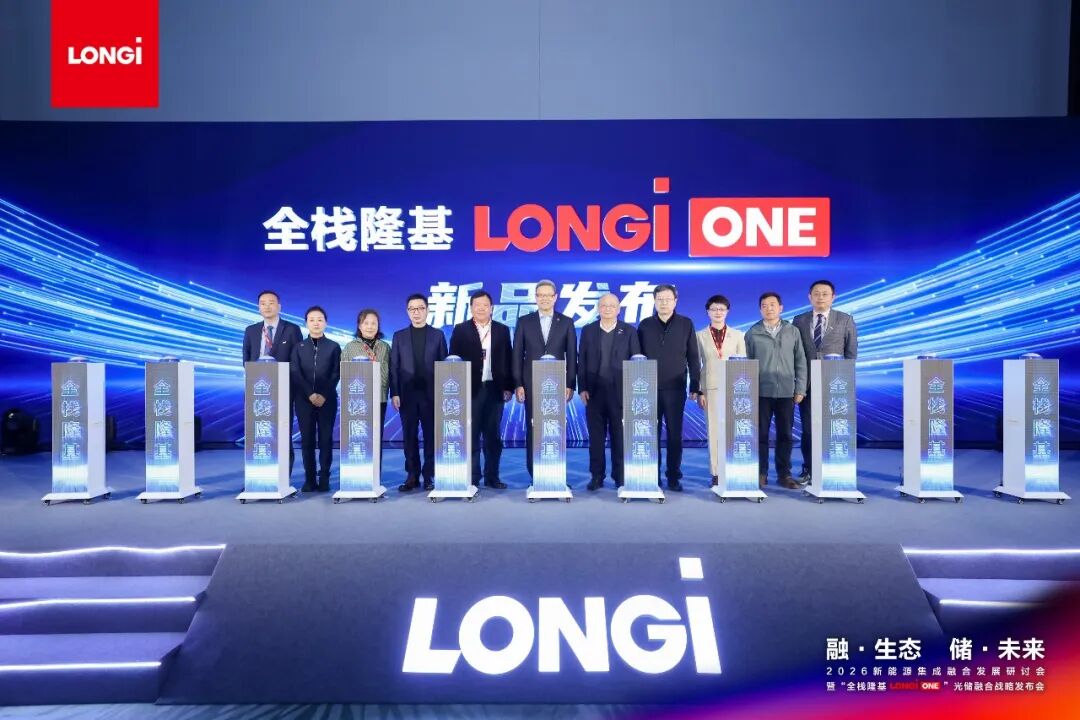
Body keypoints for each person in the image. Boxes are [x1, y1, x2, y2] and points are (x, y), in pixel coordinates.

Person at [792, 280, 858, 482]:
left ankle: (832, 468)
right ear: (809, 297)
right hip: (807, 384)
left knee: (833, 428)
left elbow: (851, 354)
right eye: (816, 294)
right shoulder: (799, 320)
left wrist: (845, 382)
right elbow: (795, 352)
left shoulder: (845, 319)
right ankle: (809, 468)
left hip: (835, 384)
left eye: (825, 294)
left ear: (833, 297)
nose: (820, 297)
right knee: (809, 428)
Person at [511, 279, 577, 481]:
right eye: (541, 295)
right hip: (531, 384)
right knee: (534, 427)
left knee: (555, 427)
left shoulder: (566, 322)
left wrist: (570, 384)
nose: (544, 299)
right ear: (536, 298)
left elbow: (571, 355)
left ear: (555, 297)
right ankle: (536, 475)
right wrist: (518, 383)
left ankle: (556, 474)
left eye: (548, 295)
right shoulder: (524, 321)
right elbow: (517, 354)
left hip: (557, 385)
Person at [637, 284, 700, 491]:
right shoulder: (645, 325)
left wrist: (695, 385)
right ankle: (652, 475)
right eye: (660, 299)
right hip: (648, 389)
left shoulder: (685, 323)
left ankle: (673, 476)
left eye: (668, 299)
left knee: (674, 434)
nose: (664, 303)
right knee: (650, 434)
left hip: (675, 388)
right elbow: (637, 358)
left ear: (675, 301)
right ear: (654, 301)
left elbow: (693, 356)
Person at [449, 290, 513, 490]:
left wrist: (509, 387)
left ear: (492, 308)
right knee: (471, 434)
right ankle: (473, 476)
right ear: (471, 308)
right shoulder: (461, 330)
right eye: (477, 305)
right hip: (470, 389)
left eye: (485, 305)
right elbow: (453, 360)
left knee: (493, 436)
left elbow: (509, 359)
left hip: (495, 389)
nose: (481, 308)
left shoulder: (502, 330)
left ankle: (492, 476)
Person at [577, 293, 641, 491]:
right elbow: (582, 360)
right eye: (603, 305)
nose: (607, 309)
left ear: (618, 309)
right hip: (594, 392)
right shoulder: (588, 330)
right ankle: (597, 476)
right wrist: (582, 387)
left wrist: (633, 391)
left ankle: (620, 476)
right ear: (598, 308)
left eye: (612, 306)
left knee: (619, 437)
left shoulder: (629, 331)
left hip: (620, 392)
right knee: (596, 438)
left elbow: (636, 362)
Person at [745, 292, 806, 490]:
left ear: (781, 308)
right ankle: (760, 473)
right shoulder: (752, 333)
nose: (768, 308)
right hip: (761, 392)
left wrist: (800, 388)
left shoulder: (792, 331)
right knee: (760, 435)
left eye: (772, 304)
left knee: (785, 435)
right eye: (764, 305)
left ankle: (784, 474)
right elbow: (746, 364)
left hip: (786, 392)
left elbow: (801, 361)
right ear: (760, 309)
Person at [390, 294, 448, 492]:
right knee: (409, 436)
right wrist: (395, 392)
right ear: (407, 312)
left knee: (431, 437)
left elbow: (444, 366)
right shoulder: (399, 336)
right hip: (407, 395)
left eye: (420, 308)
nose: (416, 312)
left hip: (431, 395)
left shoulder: (438, 335)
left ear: (427, 310)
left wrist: (443, 394)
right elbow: (394, 366)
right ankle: (412, 476)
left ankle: (429, 475)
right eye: (412, 309)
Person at [242, 290, 303, 473]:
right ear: (258, 307)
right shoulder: (251, 330)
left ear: (279, 306)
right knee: (258, 432)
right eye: (263, 303)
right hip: (258, 390)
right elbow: (246, 359)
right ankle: (257, 476)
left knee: (282, 431)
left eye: (271, 302)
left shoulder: (292, 329)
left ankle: (284, 475)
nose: (267, 306)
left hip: (283, 388)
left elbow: (297, 360)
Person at [695, 294, 747, 486]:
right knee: (714, 430)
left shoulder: (738, 335)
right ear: (708, 312)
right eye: (714, 309)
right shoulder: (699, 336)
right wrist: (699, 391)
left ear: (727, 311)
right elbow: (696, 365)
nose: (718, 312)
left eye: (722, 309)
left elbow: (743, 364)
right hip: (711, 388)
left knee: (735, 430)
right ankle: (716, 472)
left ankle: (734, 468)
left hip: (734, 388)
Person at [290, 305, 341, 492]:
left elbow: (336, 373)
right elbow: (295, 372)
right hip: (304, 400)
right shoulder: (298, 347)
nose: (316, 323)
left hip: (327, 400)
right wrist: (309, 394)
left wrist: (324, 394)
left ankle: (324, 476)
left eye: (320, 319)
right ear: (306, 323)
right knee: (307, 440)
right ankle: (309, 479)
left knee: (326, 439)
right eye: (312, 320)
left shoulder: (333, 346)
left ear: (326, 323)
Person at [342, 309, 391, 433]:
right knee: (360, 434)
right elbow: (343, 374)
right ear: (359, 326)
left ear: (378, 326)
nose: (370, 326)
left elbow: (392, 371)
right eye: (366, 323)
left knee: (377, 433)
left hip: (380, 397)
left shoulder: (385, 347)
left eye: (373, 323)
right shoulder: (349, 347)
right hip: (358, 398)